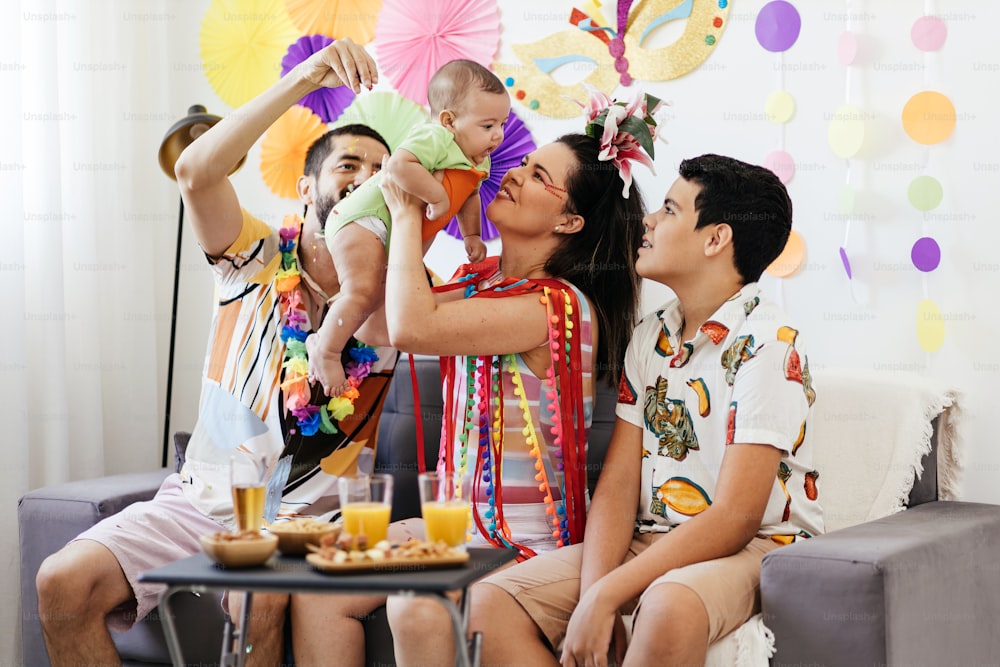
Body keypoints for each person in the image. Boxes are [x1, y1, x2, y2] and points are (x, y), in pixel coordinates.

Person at [35, 39, 397, 666]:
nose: (365, 178)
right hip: (199, 500)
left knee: (261, 594)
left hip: (316, 520)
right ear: (308, 185)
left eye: (379, 172)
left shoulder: (395, 298)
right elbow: (197, 172)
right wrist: (308, 78)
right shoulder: (252, 257)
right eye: (348, 166)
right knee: (62, 583)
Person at [315, 93, 659, 667]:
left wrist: (406, 213)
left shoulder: (555, 305)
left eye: (537, 175)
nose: (514, 175)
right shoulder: (481, 281)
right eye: (523, 165)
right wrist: (390, 217)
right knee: (322, 582)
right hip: (457, 530)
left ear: (569, 221)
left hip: (520, 543)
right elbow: (377, 324)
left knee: (413, 606)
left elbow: (411, 327)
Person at [467, 153, 825, 666]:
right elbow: (616, 485)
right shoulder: (650, 335)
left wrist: (611, 594)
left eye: (670, 210)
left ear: (716, 238)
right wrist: (596, 592)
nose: (648, 222)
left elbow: (735, 518)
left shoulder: (769, 345)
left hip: (759, 546)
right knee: (489, 603)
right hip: (655, 537)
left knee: (668, 604)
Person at [308, 59, 510, 399]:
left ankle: (332, 334)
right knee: (362, 291)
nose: (498, 135)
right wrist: (437, 198)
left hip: (389, 232)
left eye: (501, 124)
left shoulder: (479, 158)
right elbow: (400, 166)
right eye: (488, 125)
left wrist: (472, 234)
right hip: (364, 218)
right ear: (449, 120)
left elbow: (471, 195)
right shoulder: (436, 137)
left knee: (378, 297)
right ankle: (325, 350)